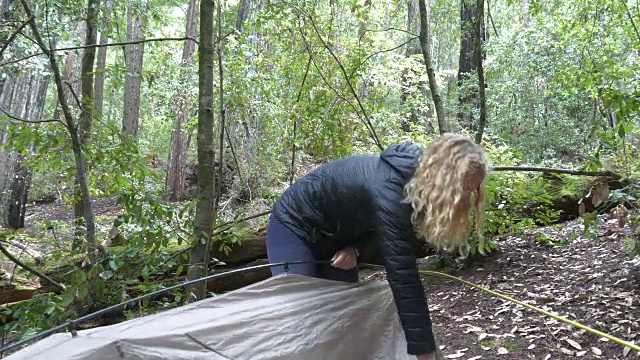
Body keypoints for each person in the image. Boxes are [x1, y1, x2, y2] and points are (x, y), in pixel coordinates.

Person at [265, 134, 489, 360]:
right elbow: (403, 277)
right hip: (294, 227)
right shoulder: (391, 191)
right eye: (463, 189)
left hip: (337, 239)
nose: (465, 197)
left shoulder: (416, 187)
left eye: (472, 190)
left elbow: (380, 230)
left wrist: (356, 250)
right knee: (296, 317)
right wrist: (425, 353)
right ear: (444, 178)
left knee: (341, 320)